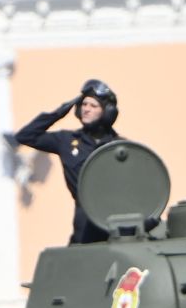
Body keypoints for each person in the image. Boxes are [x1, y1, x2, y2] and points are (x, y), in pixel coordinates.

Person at [13, 79, 126, 244]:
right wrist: (58, 113)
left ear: (107, 112)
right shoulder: (67, 140)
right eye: (84, 104)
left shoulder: (119, 147)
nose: (86, 109)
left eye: (93, 106)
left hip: (115, 217)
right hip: (84, 219)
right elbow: (25, 136)